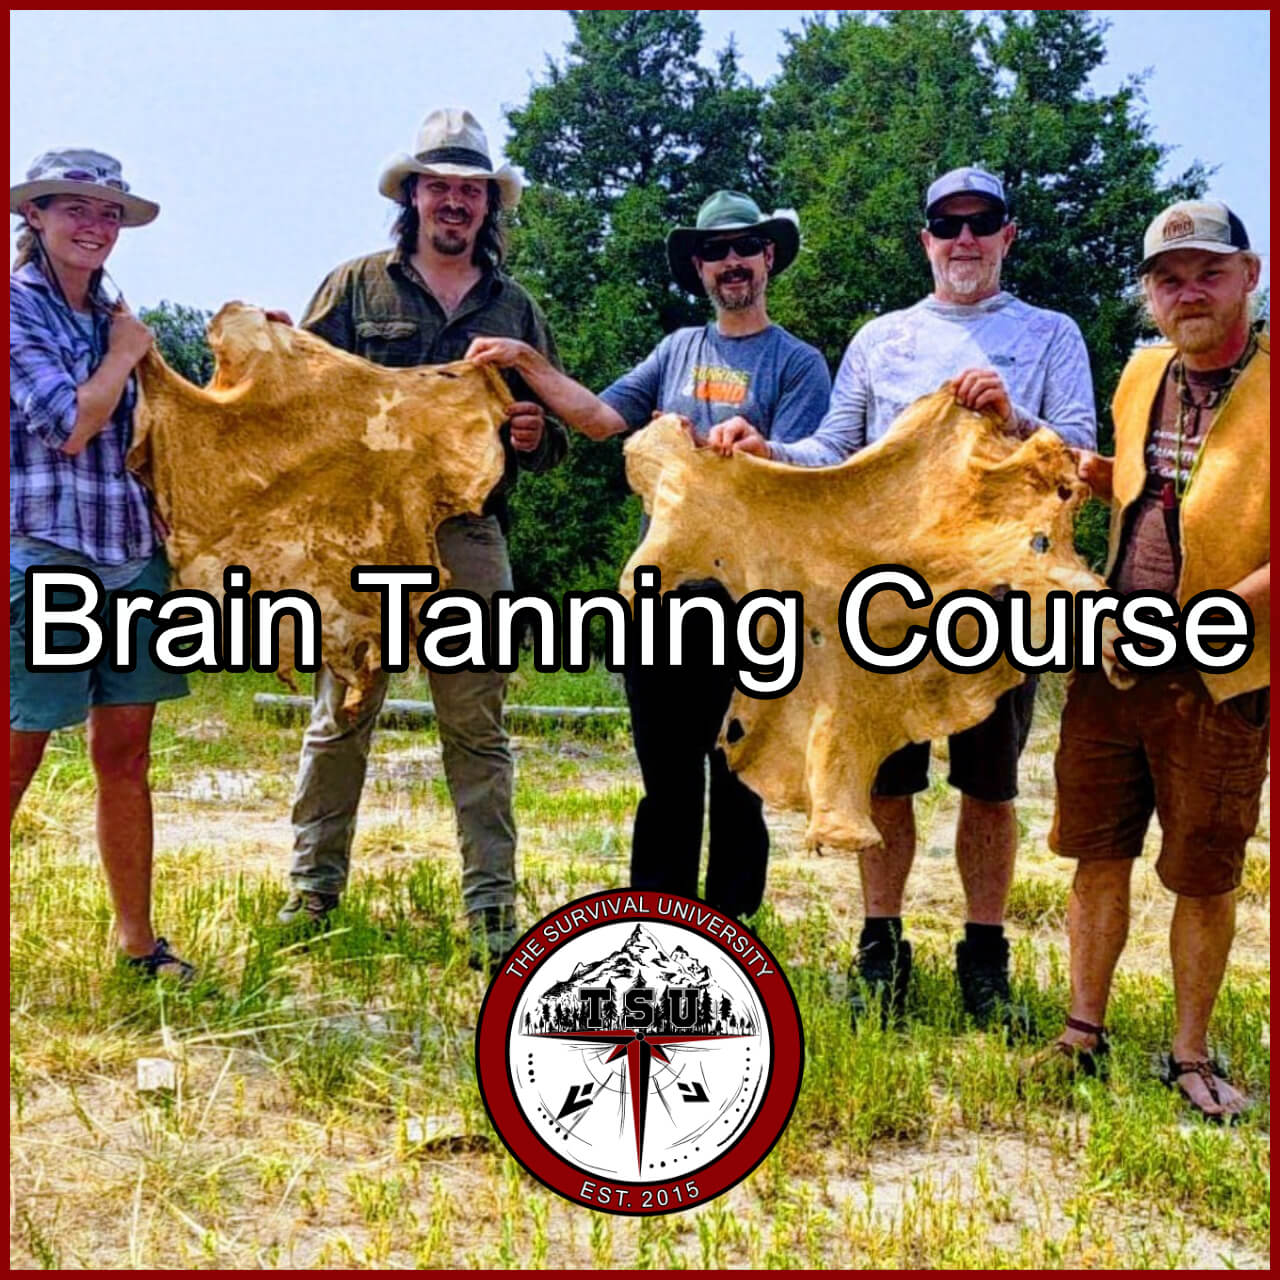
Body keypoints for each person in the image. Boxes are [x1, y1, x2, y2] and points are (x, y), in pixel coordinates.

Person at [712, 167, 1097, 1028]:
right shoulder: (881, 340)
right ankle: (880, 949)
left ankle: (984, 958)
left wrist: (1015, 421)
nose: (964, 240)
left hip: (999, 599)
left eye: (981, 223)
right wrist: (766, 450)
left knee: (989, 788)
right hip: (882, 604)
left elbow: (1078, 462)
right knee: (884, 775)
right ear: (926, 240)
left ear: (1007, 235)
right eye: (946, 226)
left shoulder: (1050, 335)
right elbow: (835, 455)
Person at [467, 190, 831, 920]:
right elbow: (602, 419)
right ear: (699, 266)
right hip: (660, 598)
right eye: (716, 251)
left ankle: (729, 933)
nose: (732, 262)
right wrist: (526, 361)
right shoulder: (675, 351)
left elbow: (809, 473)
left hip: (755, 605)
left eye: (745, 248)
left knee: (738, 778)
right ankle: (660, 924)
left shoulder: (800, 364)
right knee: (666, 781)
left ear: (768, 258)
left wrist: (739, 448)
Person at [278, 108, 568, 971]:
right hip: (361, 535)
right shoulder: (354, 287)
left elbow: (550, 431)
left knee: (477, 724)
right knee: (343, 717)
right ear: (412, 195)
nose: (454, 202)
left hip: (469, 535)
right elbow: (300, 400)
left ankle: (491, 916)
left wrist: (529, 434)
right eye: (438, 186)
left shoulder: (514, 307)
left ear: (488, 205)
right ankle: (313, 891)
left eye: (470, 190)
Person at [1032, 200, 1268, 1120]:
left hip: (1219, 668)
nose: (1189, 292)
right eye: (1168, 279)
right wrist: (1084, 473)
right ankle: (1081, 1036)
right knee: (1097, 854)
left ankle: (1189, 1056)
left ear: (1250, 275)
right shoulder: (1140, 375)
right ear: (1149, 296)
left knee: (1203, 869)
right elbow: (1141, 481)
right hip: (1110, 660)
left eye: (1208, 272)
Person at [9, 149, 192, 980]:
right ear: (35, 217)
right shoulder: (17, 308)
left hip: (128, 554)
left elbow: (160, 430)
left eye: (108, 213)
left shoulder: (110, 315)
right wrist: (124, 353)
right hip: (45, 551)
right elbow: (69, 425)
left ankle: (138, 942)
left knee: (126, 755)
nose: (94, 226)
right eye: (74, 209)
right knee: (19, 750)